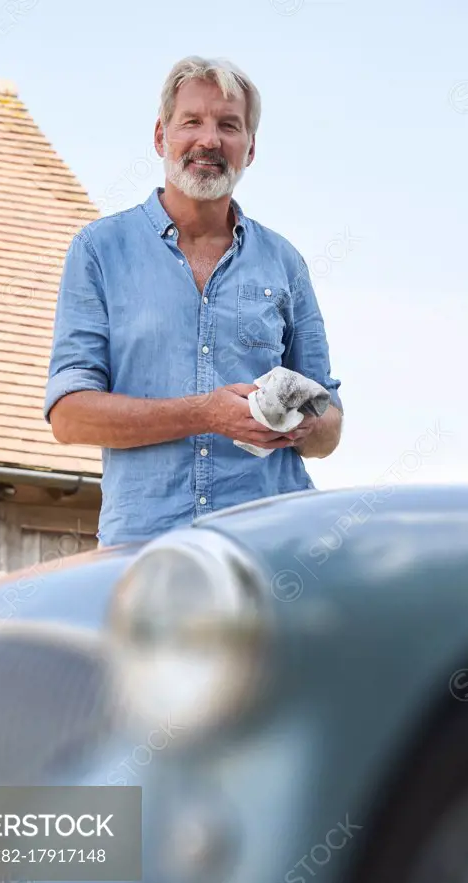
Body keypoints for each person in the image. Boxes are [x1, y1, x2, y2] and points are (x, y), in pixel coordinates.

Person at [44, 55, 343, 548]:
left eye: (229, 125)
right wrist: (205, 413)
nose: (210, 140)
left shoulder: (285, 262)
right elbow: (70, 416)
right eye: (192, 122)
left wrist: (299, 424)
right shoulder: (99, 250)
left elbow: (330, 428)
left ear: (249, 150)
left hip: (272, 544)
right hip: (145, 550)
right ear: (161, 136)